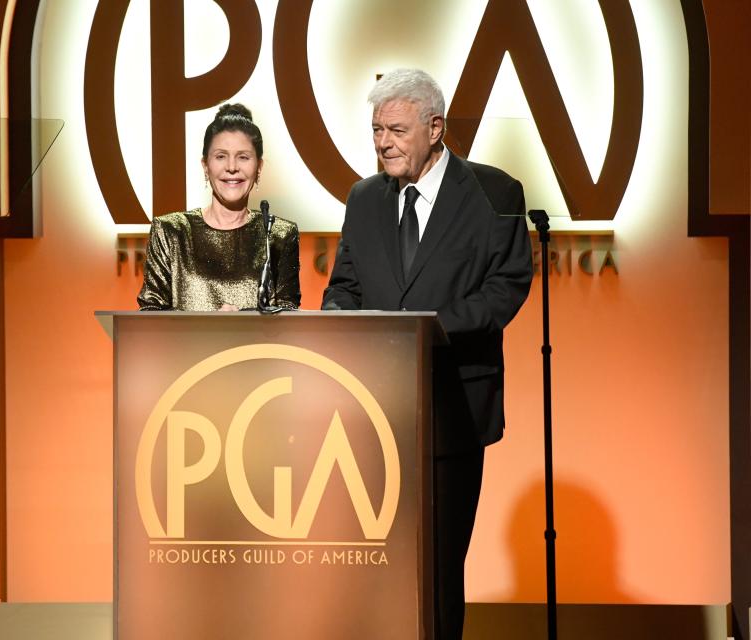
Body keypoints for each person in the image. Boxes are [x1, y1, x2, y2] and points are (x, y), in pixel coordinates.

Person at [322, 69, 533, 639]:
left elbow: (505, 287)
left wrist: (429, 328)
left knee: (439, 569)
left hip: (453, 409)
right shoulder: (364, 198)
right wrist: (341, 319)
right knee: (376, 569)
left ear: (435, 127)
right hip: (375, 413)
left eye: (395, 129)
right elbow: (343, 286)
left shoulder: (495, 193)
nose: (383, 143)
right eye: (376, 131)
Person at [138, 104, 301, 311]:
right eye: (221, 156)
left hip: (259, 345)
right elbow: (149, 317)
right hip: (185, 344)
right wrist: (211, 326)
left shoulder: (278, 235)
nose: (232, 167)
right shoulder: (171, 232)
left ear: (258, 167)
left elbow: (288, 318)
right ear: (205, 166)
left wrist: (240, 321)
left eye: (243, 157)